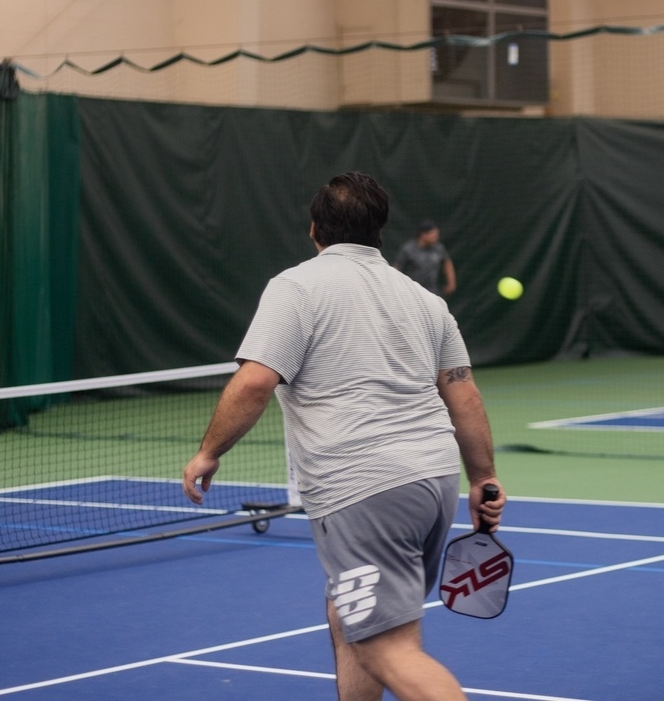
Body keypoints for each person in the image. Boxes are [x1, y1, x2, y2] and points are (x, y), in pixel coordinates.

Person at [183, 172, 504, 701]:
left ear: (315, 229)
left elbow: (256, 380)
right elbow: (463, 395)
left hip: (362, 487)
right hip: (435, 480)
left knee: (389, 649)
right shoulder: (424, 300)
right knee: (354, 614)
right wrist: (485, 477)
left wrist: (209, 451)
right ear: (380, 230)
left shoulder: (295, 286)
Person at [393, 220, 457, 296]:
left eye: (437, 235)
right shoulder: (408, 249)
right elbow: (396, 268)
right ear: (423, 235)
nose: (436, 238)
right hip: (412, 291)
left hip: (431, 291)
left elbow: (447, 262)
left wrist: (451, 283)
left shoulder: (439, 248)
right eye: (433, 235)